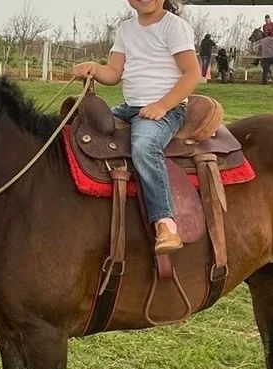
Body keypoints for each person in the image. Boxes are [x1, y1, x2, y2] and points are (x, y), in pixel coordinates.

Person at [73, 0, 201, 254]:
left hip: (168, 108)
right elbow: (113, 72)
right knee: (83, 128)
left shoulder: (173, 27)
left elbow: (191, 74)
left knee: (144, 146)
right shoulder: (126, 29)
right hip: (131, 106)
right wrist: (94, 69)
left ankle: (165, 223)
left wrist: (163, 105)